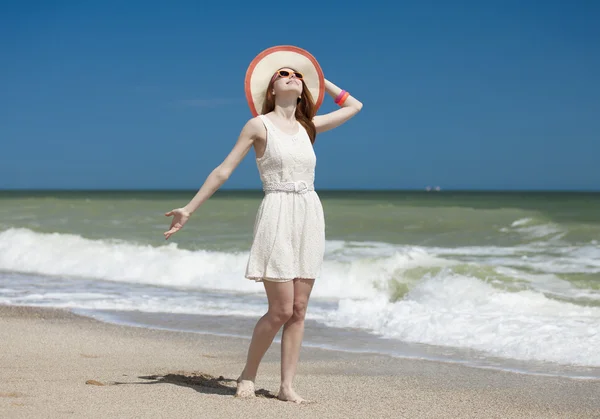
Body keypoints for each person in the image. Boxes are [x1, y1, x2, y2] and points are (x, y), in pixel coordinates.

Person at [163, 45, 362, 403]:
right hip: (277, 212)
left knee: (300, 310)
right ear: (271, 89)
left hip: (309, 213)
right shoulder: (258, 125)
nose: (292, 77)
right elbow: (224, 170)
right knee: (281, 309)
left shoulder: (309, 127)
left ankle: (287, 386)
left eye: (297, 75)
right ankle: (248, 375)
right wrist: (190, 209)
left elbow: (354, 106)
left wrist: (316, 76)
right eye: (284, 74)